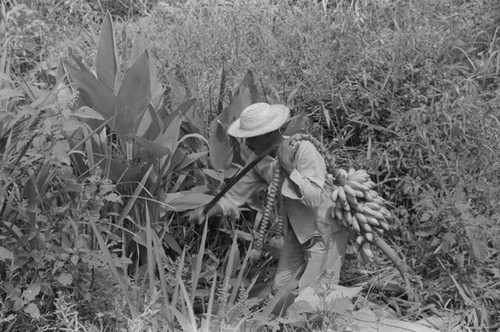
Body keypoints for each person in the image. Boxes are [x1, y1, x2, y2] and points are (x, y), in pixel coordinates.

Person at [190, 102, 349, 294]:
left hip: (324, 231)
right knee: (280, 288)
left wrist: (289, 168)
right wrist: (208, 210)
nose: (247, 144)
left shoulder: (303, 149)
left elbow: (315, 198)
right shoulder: (258, 160)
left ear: (268, 133)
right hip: (297, 234)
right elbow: (237, 194)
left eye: (251, 138)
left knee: (317, 294)